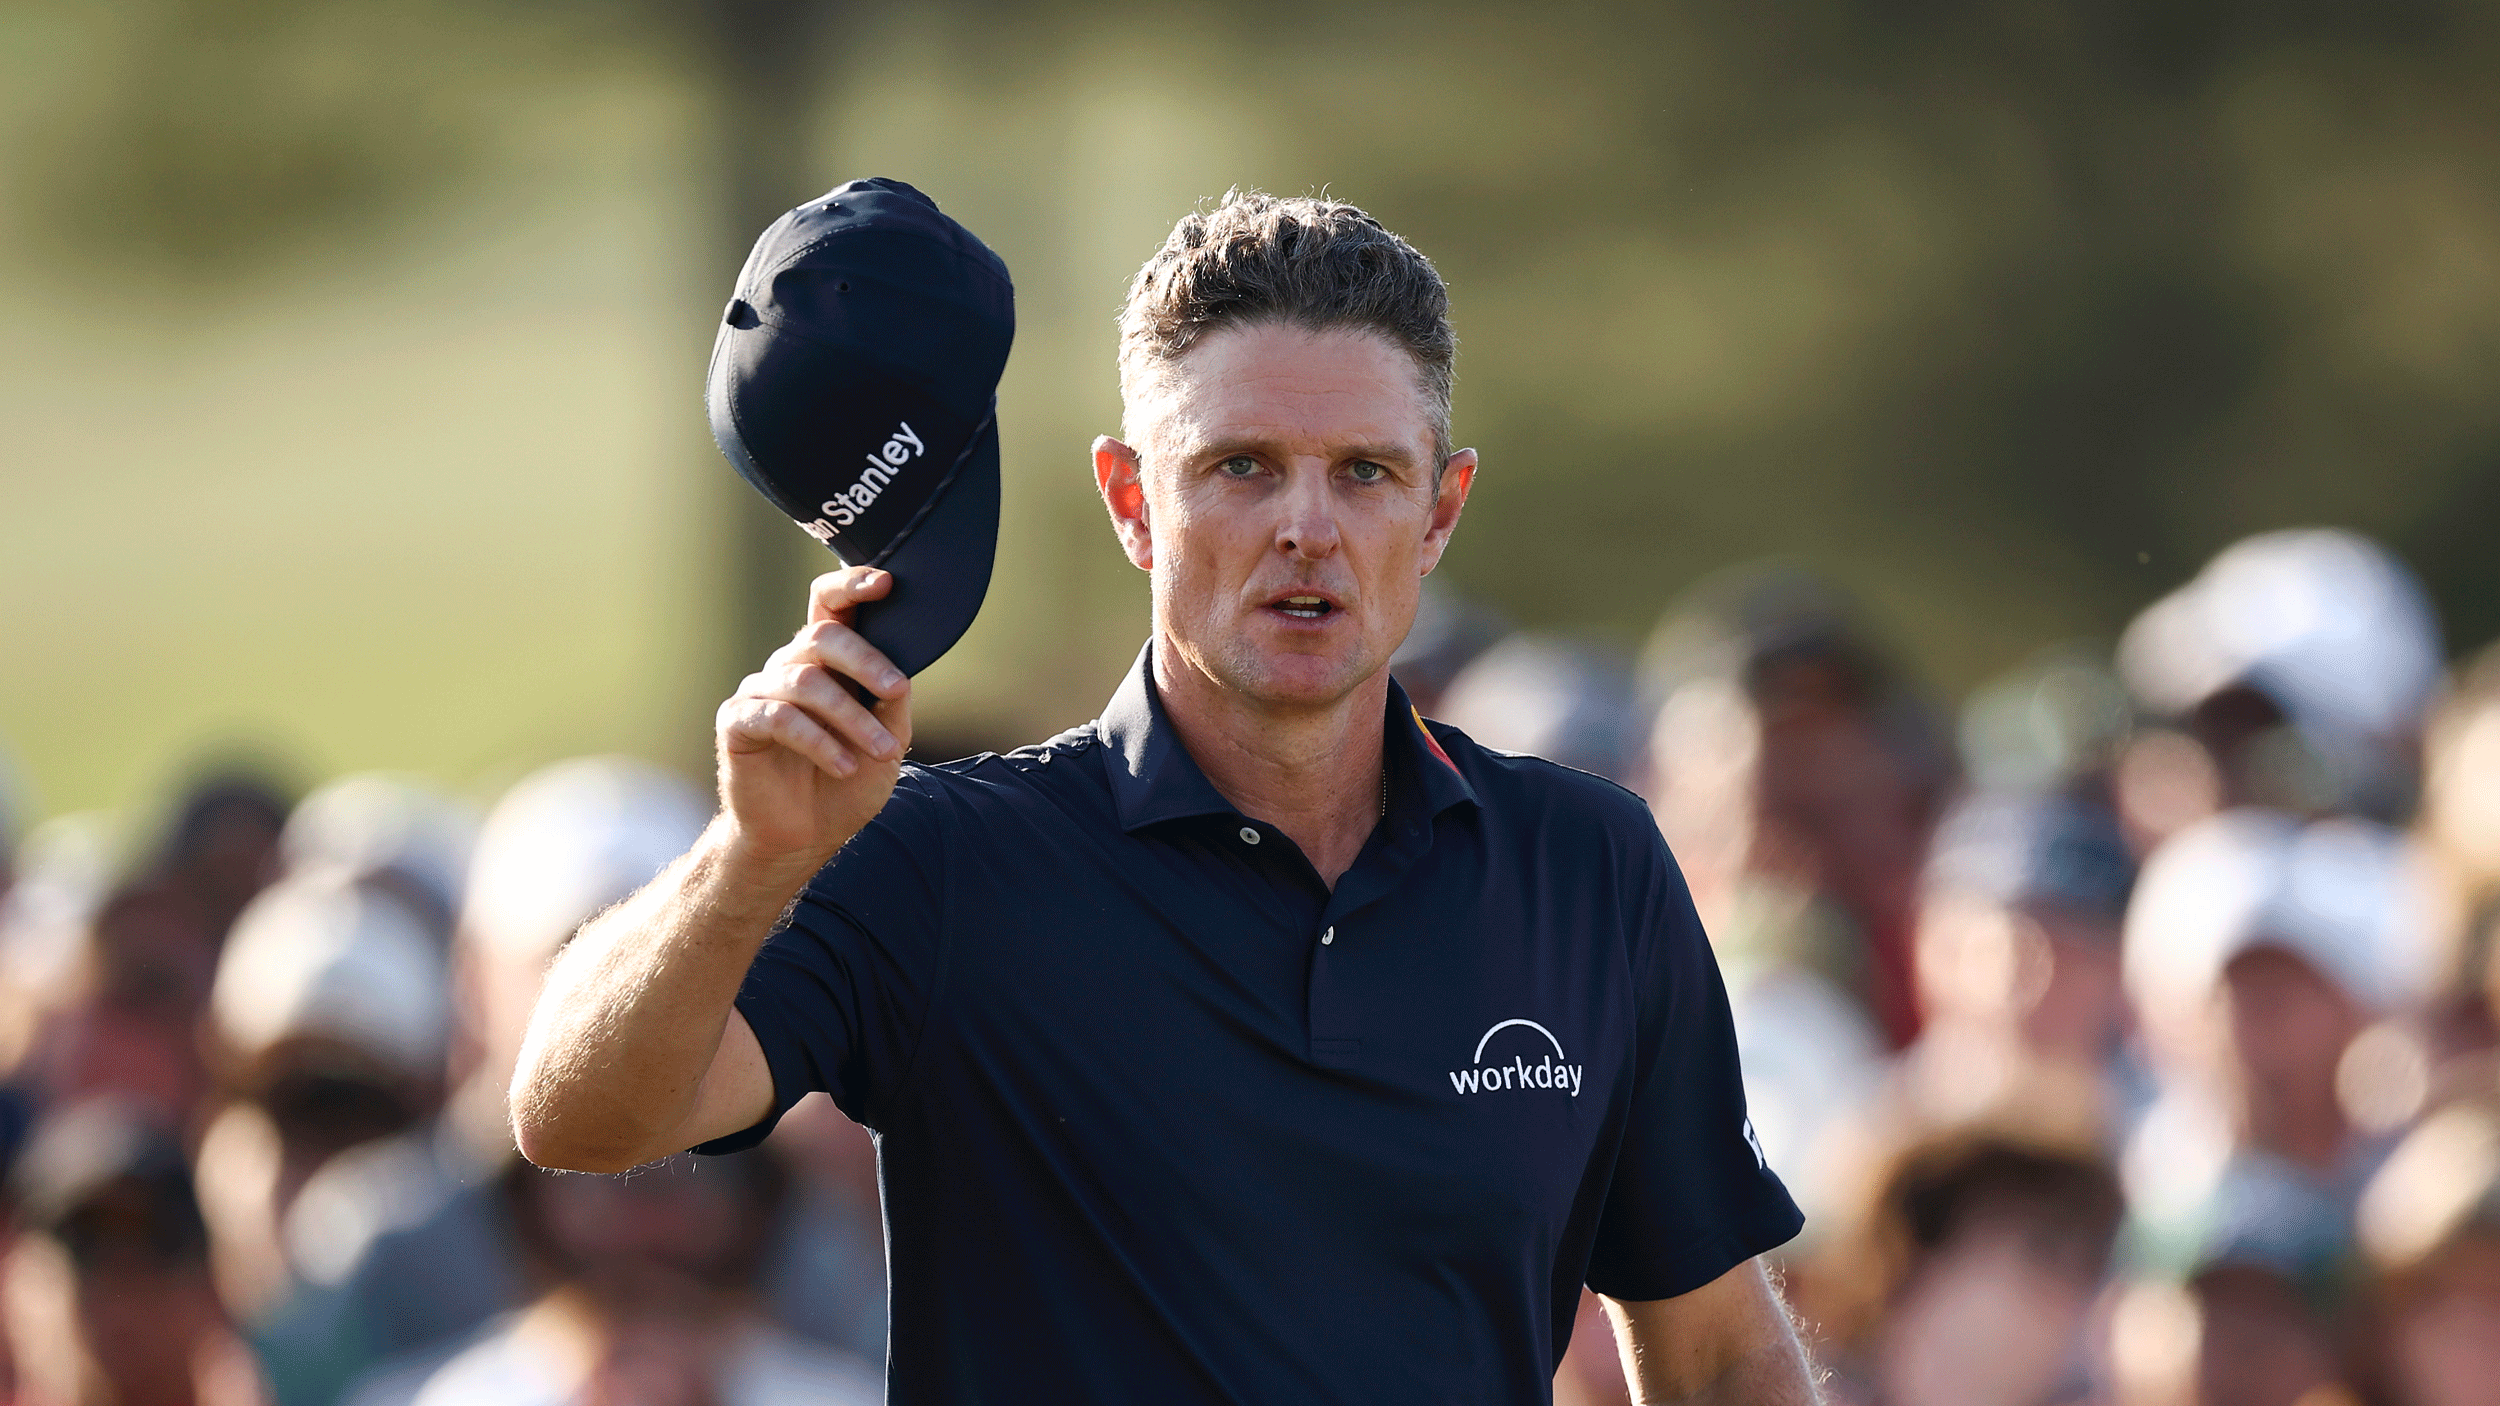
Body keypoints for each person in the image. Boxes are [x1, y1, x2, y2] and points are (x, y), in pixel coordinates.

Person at [514, 190, 1815, 1403]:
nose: (1308, 527)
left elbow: (1717, 1358)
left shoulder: (1587, 866)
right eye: (1241, 466)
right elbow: (580, 1118)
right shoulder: (939, 859)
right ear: (1133, 502)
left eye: (1365, 471)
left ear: (1440, 511)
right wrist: (748, 860)